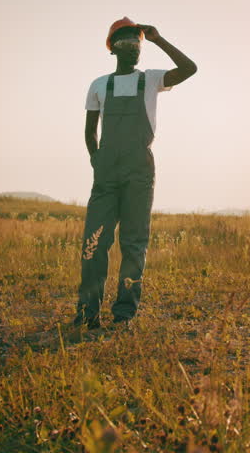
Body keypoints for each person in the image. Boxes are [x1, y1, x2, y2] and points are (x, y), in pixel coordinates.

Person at [72, 17, 197, 329]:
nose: (133, 48)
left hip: (138, 170)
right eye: (125, 43)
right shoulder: (99, 85)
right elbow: (90, 132)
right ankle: (88, 314)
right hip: (106, 172)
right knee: (94, 242)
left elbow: (189, 68)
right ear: (112, 49)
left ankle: (123, 315)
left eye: (137, 43)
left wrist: (159, 38)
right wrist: (97, 161)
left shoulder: (152, 80)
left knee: (133, 243)